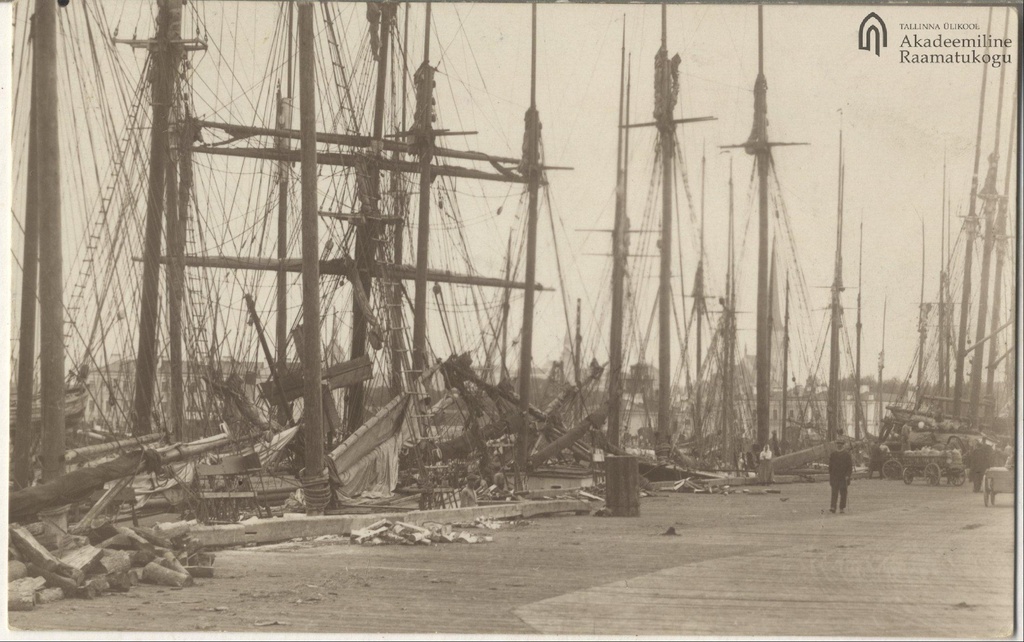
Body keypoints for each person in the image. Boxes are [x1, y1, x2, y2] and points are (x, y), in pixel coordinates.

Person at [829, 439, 853, 514]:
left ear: (843, 445)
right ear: (836, 445)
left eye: (841, 444)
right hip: (835, 476)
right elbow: (830, 467)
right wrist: (831, 476)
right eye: (838, 444)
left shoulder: (847, 455)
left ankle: (842, 508)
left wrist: (848, 475)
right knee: (834, 492)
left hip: (844, 477)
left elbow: (850, 467)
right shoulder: (833, 454)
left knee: (843, 493)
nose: (839, 445)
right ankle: (833, 507)